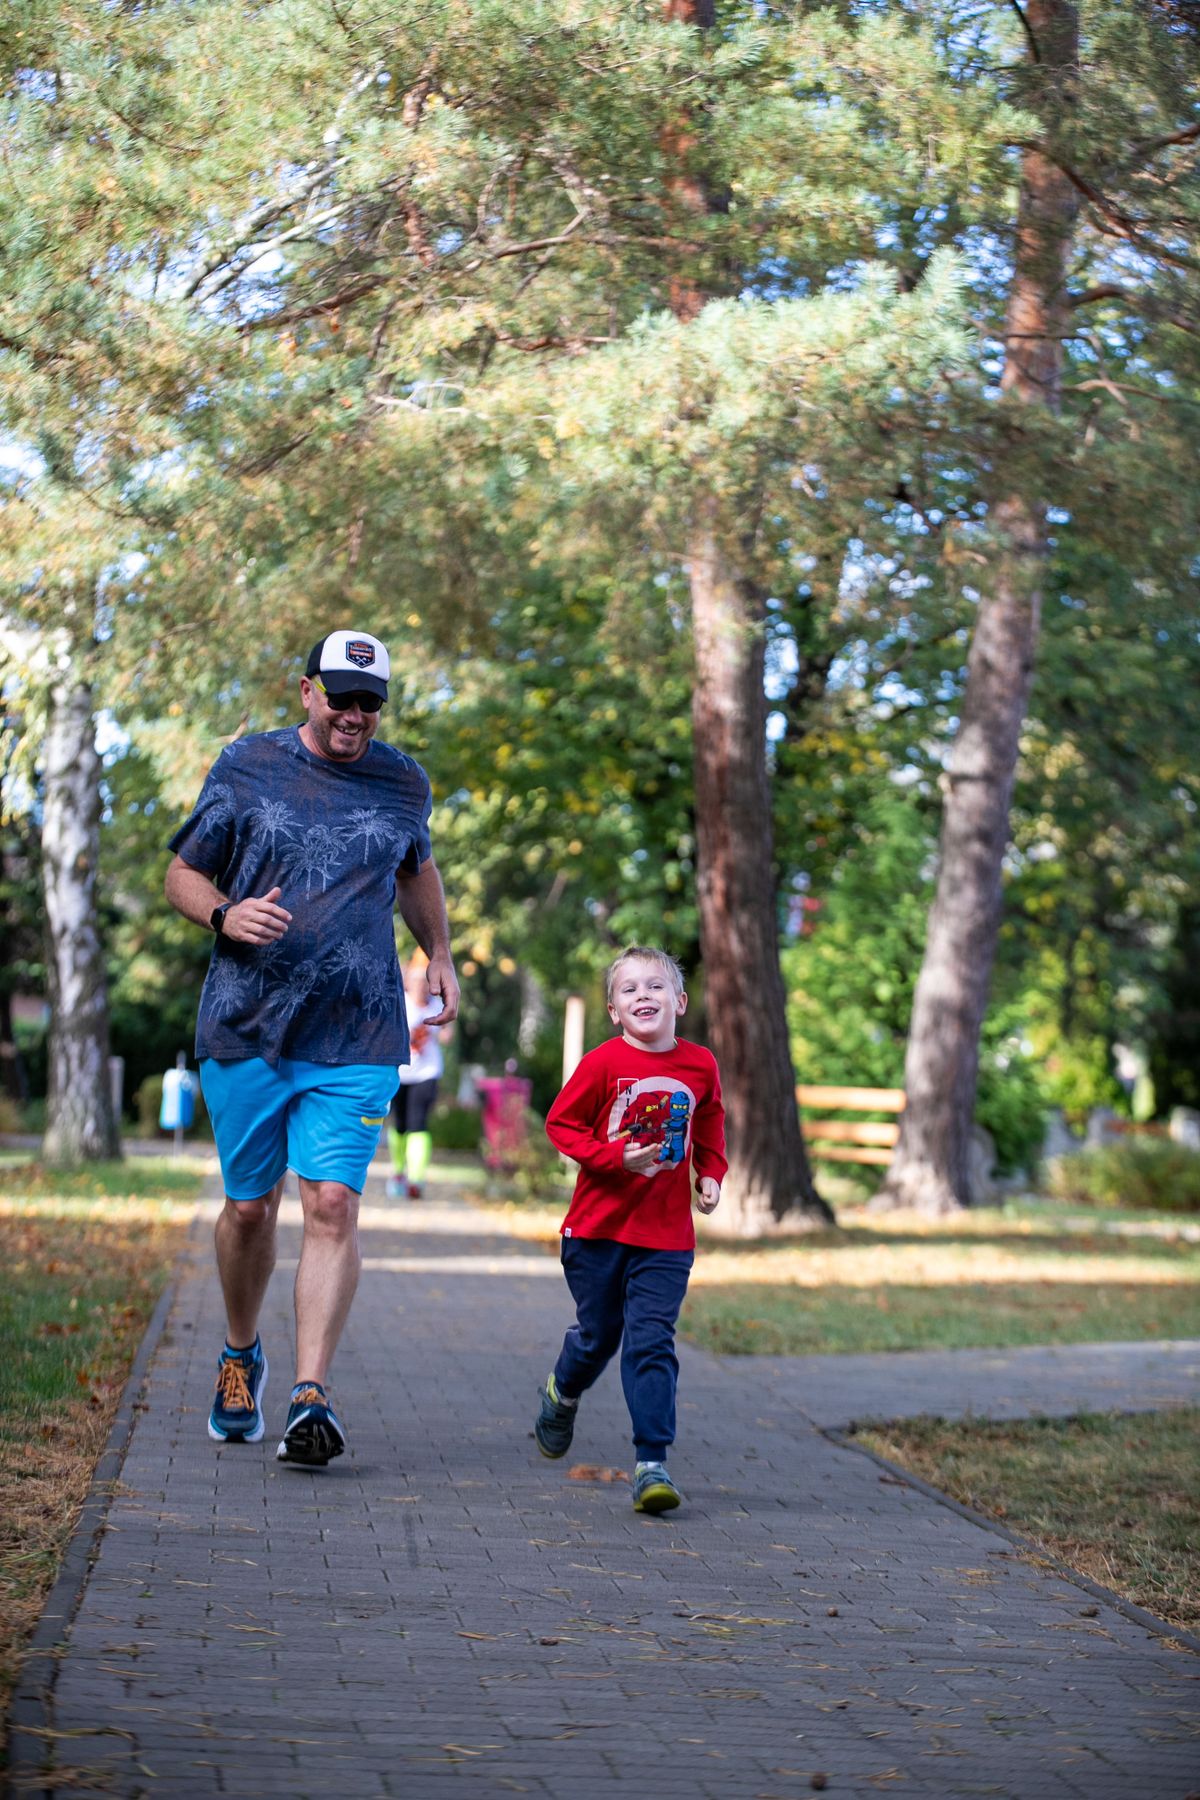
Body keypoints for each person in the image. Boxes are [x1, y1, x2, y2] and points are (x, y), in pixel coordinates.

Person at [164, 629, 459, 1468]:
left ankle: (309, 1398)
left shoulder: (404, 781)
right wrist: (224, 913)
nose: (355, 716)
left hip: (358, 1027)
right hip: (246, 1024)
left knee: (331, 1205)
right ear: (306, 691)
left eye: (370, 702)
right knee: (250, 1208)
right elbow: (182, 873)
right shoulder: (246, 765)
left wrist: (438, 952)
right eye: (340, 697)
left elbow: (416, 870)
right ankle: (239, 1352)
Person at [533, 946, 725, 1514]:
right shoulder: (602, 1064)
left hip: (665, 1237)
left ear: (680, 1002)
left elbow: (710, 1117)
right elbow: (560, 1124)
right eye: (630, 990)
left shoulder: (700, 1065)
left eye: (656, 986)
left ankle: (651, 1464)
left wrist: (710, 1172)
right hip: (596, 1231)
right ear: (614, 1010)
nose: (644, 996)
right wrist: (617, 1160)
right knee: (599, 1335)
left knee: (651, 1341)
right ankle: (563, 1390)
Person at [387, 951, 450, 1200]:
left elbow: (446, 1034)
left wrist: (445, 1033)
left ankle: (416, 1179)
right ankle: (399, 1171)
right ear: (409, 983)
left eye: (425, 984)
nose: (421, 988)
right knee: (400, 1125)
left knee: (418, 1124)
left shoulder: (436, 1006)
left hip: (427, 1072)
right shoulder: (399, 1004)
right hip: (401, 1073)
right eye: (417, 983)